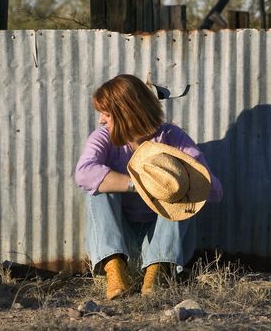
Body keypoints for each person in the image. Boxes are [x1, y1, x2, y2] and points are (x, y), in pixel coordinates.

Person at [74, 74, 223, 300]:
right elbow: (83, 173)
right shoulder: (104, 137)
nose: (101, 121)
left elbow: (214, 190)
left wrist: (176, 182)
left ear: (127, 112)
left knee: (182, 190)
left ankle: (158, 272)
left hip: (164, 245)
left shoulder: (172, 137)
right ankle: (115, 270)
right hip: (123, 245)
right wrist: (140, 184)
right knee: (97, 190)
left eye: (106, 114)